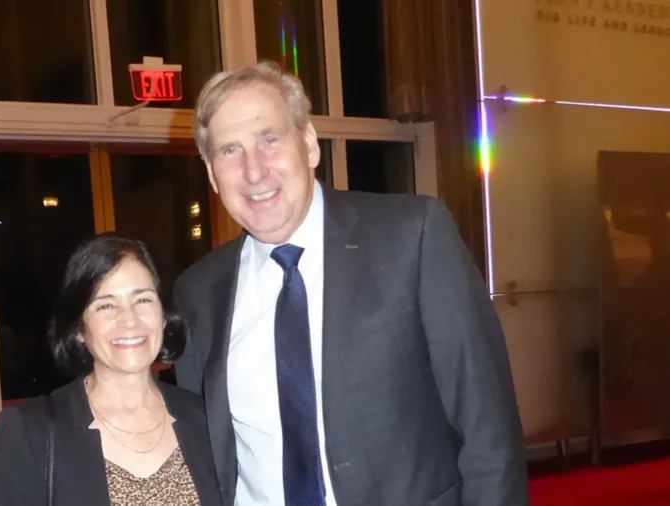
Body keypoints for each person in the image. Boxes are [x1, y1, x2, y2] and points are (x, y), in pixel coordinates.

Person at [173, 61, 529, 506]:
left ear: (308, 144)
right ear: (212, 174)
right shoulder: (199, 292)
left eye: (269, 139)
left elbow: (488, 425)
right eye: (230, 150)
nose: (254, 170)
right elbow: (202, 455)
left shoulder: (411, 237)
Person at [0, 234, 222, 506]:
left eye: (142, 300)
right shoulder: (28, 433)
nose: (129, 320)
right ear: (79, 329)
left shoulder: (206, 419)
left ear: (165, 315)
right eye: (106, 305)